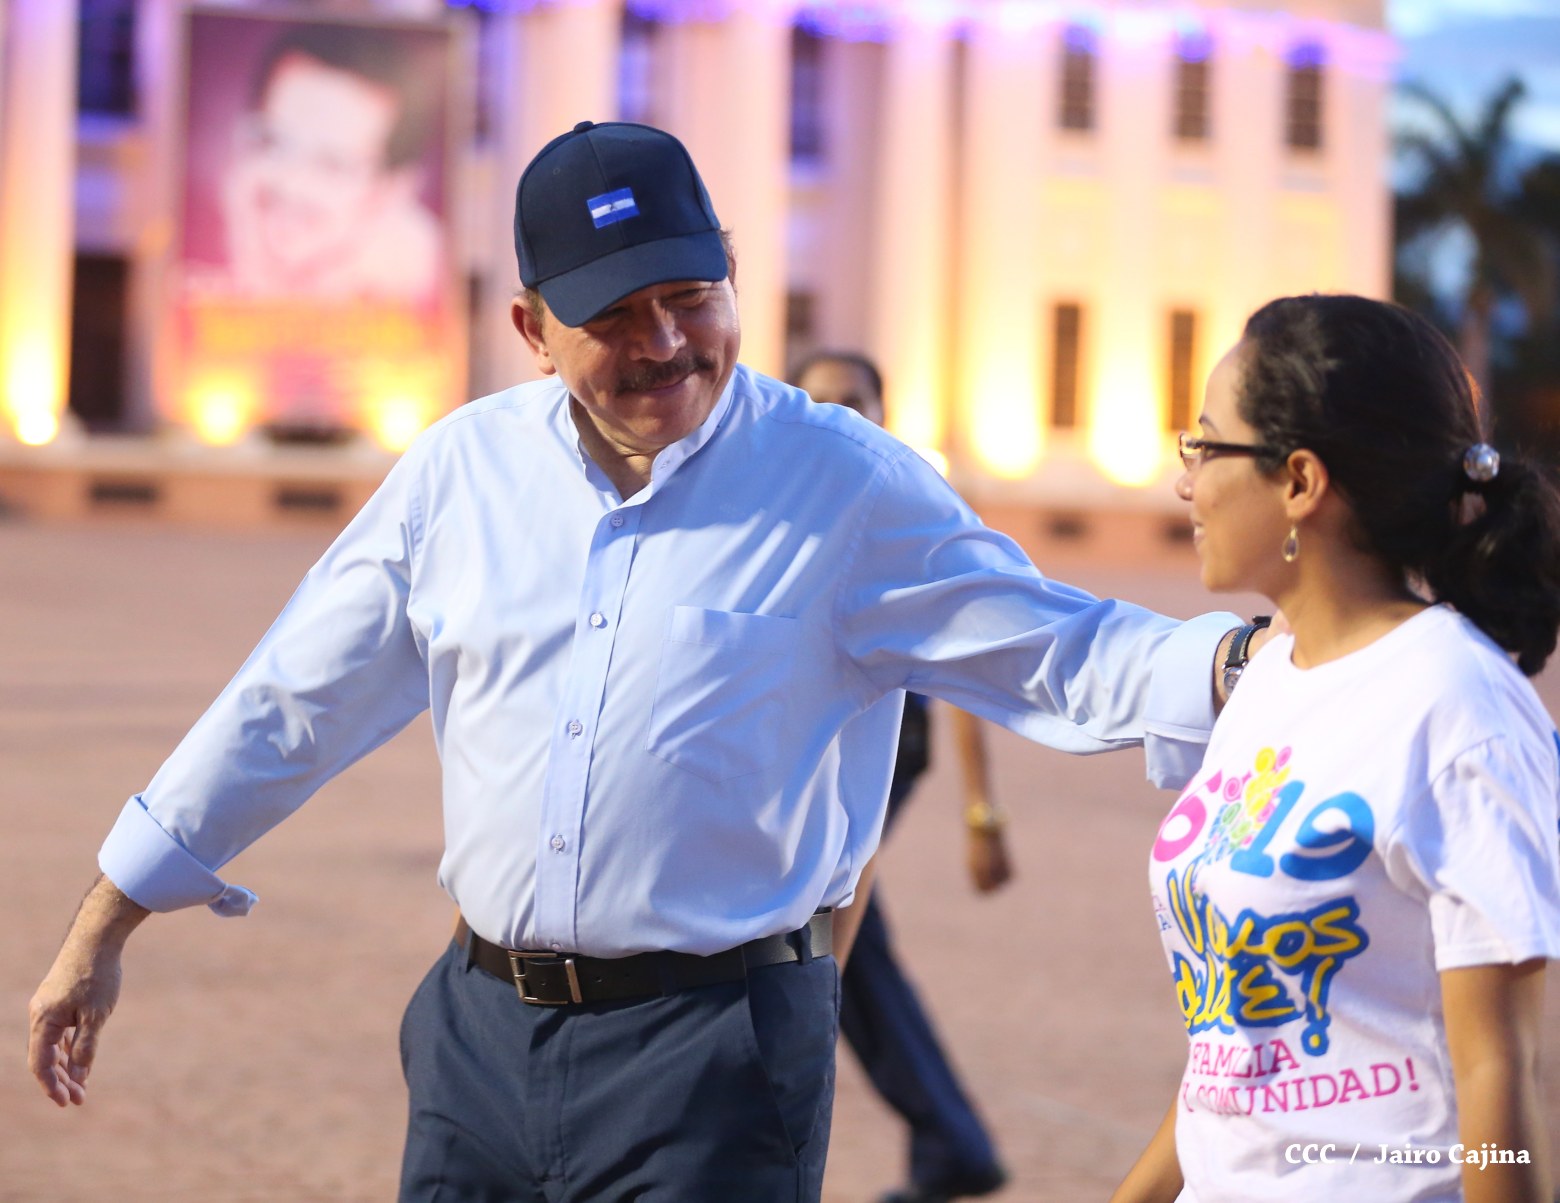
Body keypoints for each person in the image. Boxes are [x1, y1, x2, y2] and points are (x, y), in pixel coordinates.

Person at [30, 121, 1252, 1203]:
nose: (665, 341)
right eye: (615, 315)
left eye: (690, 295)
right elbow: (292, 700)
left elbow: (1055, 644)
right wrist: (105, 920)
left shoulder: (845, 486)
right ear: (531, 330)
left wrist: (1259, 664)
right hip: (474, 1039)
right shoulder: (459, 476)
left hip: (717, 1057)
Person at [1111, 295, 1560, 1203]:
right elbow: (1231, 1058)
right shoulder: (1269, 680)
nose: (1185, 483)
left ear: (1300, 482)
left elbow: (1499, 1070)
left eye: (1205, 446)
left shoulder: (1455, 705)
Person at [793, 349, 1010, 1203]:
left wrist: (982, 814)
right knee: (846, 930)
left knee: (829, 920)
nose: (841, 414)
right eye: (821, 400)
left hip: (884, 740)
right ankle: (951, 1140)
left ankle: (950, 1139)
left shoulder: (909, 503)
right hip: (815, 739)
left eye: (855, 399)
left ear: (885, 410)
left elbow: (962, 661)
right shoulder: (787, 498)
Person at [206, 23, 443, 305]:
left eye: (332, 165)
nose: (291, 184)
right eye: (274, 144)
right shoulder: (198, 230)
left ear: (390, 191)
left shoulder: (417, 285)